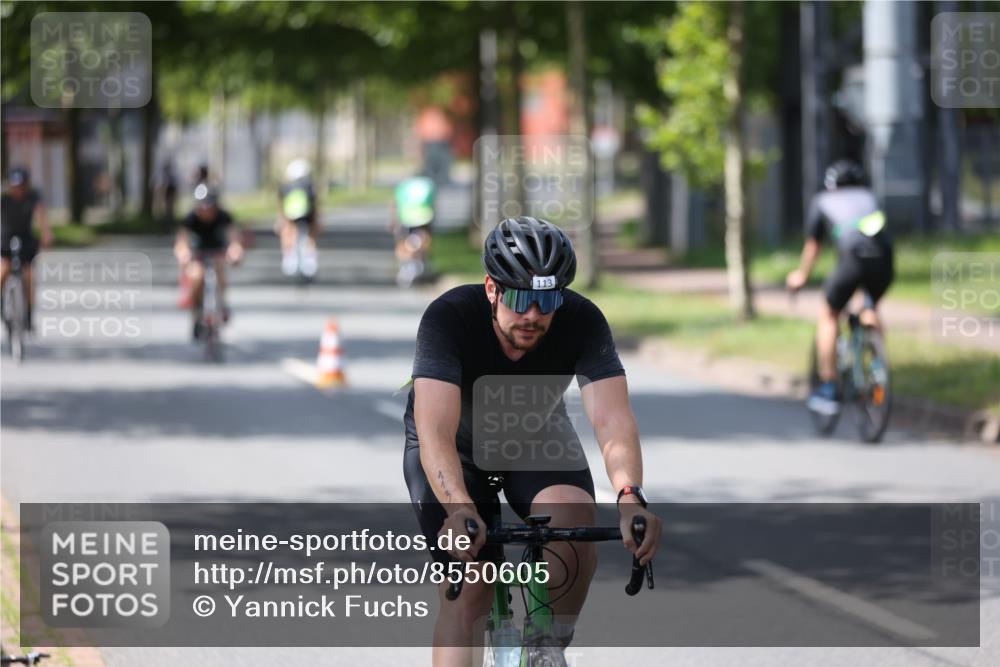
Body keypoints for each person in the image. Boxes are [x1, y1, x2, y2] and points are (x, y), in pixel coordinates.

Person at [403, 216, 662, 666]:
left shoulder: (582, 320)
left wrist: (630, 496)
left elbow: (612, 419)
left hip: (533, 436)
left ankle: (546, 646)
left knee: (574, 521)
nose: (533, 315)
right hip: (455, 452)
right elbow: (435, 433)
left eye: (547, 300)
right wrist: (460, 509)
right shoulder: (450, 317)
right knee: (473, 583)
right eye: (521, 298)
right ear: (492, 289)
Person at [786, 159, 894, 416]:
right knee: (870, 307)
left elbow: (814, 245)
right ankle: (879, 371)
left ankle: (828, 386)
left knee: (829, 314)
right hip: (884, 260)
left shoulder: (823, 200)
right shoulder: (870, 196)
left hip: (852, 260)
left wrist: (801, 276)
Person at [174, 185, 244, 339]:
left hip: (217, 251)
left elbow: (234, 237)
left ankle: (223, 305)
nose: (206, 210)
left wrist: (235, 250)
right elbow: (182, 241)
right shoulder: (190, 218)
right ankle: (197, 314)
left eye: (210, 206)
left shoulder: (224, 216)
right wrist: (183, 253)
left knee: (219, 270)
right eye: (203, 206)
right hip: (197, 253)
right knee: (197, 276)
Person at [1, 167, 52, 332]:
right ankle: (2, 305)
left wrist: (46, 234)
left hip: (26, 238)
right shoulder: (4, 198)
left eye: (21, 185)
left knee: (29, 275)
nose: (18, 189)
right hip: (6, 237)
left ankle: (29, 315)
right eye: (15, 186)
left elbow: (41, 215)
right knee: (4, 269)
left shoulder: (33, 197)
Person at [276, 158, 319, 278]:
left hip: (290, 215)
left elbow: (281, 205)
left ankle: (288, 256)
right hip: (307, 215)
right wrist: (316, 220)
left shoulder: (286, 187)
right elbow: (315, 205)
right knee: (311, 235)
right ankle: (310, 257)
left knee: (288, 232)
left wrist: (281, 220)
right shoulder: (310, 186)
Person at [390, 174, 436, 286]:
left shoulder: (403, 187)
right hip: (424, 216)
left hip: (407, 217)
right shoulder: (427, 185)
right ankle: (418, 265)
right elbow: (432, 203)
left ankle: (409, 267)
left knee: (405, 244)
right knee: (420, 242)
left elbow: (395, 204)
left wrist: (394, 221)